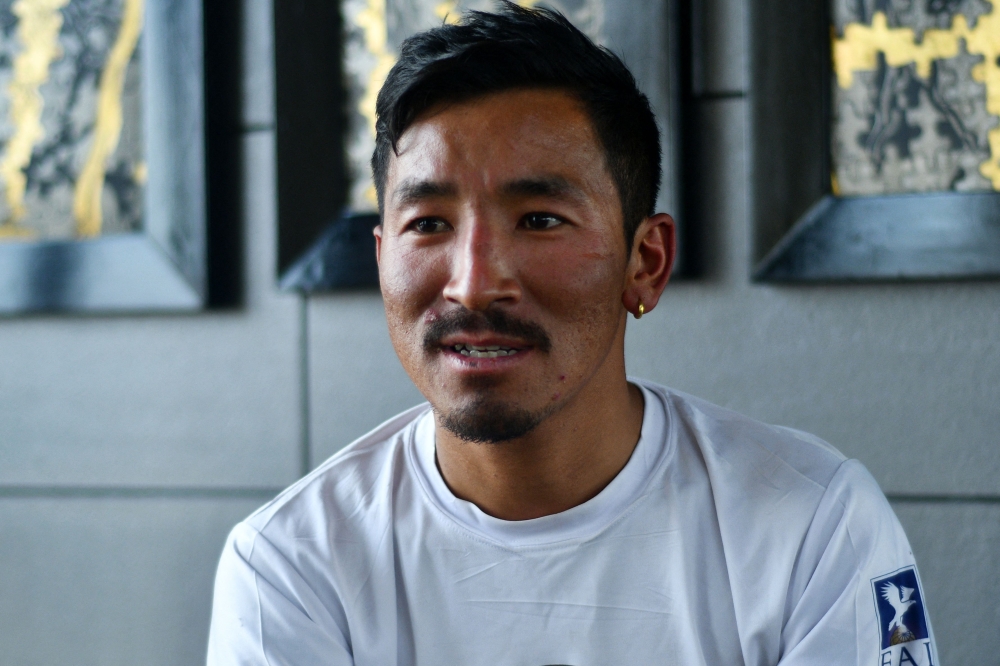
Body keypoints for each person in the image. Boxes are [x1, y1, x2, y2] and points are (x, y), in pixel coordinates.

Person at [207, 3, 937, 664]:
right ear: (382, 263)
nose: (472, 282)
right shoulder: (293, 565)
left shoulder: (811, 527)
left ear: (644, 263)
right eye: (428, 224)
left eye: (540, 220)